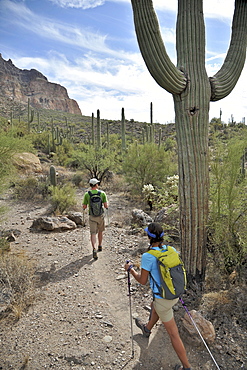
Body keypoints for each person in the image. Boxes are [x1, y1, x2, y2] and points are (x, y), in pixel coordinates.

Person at [124, 222, 191, 370]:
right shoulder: (171, 249)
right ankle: (147, 329)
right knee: (156, 305)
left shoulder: (148, 256)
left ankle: (187, 367)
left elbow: (142, 281)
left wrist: (131, 270)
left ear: (149, 237)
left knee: (174, 334)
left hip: (163, 300)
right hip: (176, 294)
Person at [82, 178, 108, 260]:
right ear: (96, 185)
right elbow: (106, 206)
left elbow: (84, 206)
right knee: (100, 231)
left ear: (90, 185)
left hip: (92, 216)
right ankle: (100, 246)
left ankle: (94, 249)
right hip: (100, 216)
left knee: (93, 233)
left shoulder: (87, 194)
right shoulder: (102, 193)